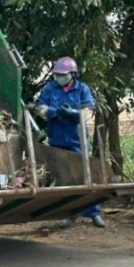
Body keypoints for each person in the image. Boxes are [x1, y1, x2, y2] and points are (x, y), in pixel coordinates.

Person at [36, 56, 105, 229]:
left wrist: (74, 114)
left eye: (62, 74)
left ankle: (94, 213)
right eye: (57, 74)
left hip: (77, 139)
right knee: (65, 177)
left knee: (86, 175)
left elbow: (88, 111)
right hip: (57, 138)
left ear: (72, 74)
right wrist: (54, 112)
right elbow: (40, 109)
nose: (59, 77)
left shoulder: (82, 89)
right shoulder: (50, 89)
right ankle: (70, 214)